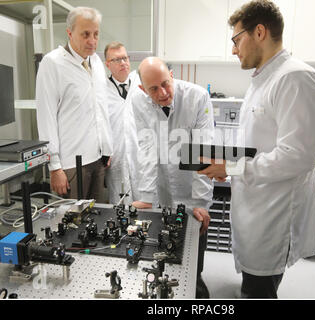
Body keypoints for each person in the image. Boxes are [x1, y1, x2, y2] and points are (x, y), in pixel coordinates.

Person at [198, 0, 315, 298]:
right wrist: (225, 162)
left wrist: (231, 167)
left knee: (260, 290)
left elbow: (297, 157)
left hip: (275, 216)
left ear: (259, 32)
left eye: (236, 39)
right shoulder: (262, 80)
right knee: (253, 284)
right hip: (255, 208)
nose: (233, 50)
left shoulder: (295, 78)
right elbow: (259, 145)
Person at [131, 57, 214, 298]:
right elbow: (146, 147)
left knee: (193, 263)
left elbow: (203, 150)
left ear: (172, 74)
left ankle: (197, 289)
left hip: (191, 186)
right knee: (163, 256)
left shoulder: (197, 97)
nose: (163, 93)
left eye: (166, 83)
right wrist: (146, 196)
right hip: (161, 188)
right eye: (153, 89)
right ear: (142, 89)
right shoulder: (139, 101)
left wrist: (200, 202)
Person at [36, 7, 113, 203]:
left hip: (98, 160)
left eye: (96, 34)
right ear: (69, 33)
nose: (92, 40)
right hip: (71, 164)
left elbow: (101, 109)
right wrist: (54, 167)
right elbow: (46, 118)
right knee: (72, 225)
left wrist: (107, 146)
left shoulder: (96, 62)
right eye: (85, 34)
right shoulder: (52, 63)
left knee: (98, 221)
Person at [104, 42, 141, 204]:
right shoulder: (102, 90)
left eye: (125, 58)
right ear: (108, 64)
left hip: (141, 156)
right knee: (121, 206)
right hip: (116, 158)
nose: (123, 63)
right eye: (117, 60)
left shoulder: (141, 84)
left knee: (145, 204)